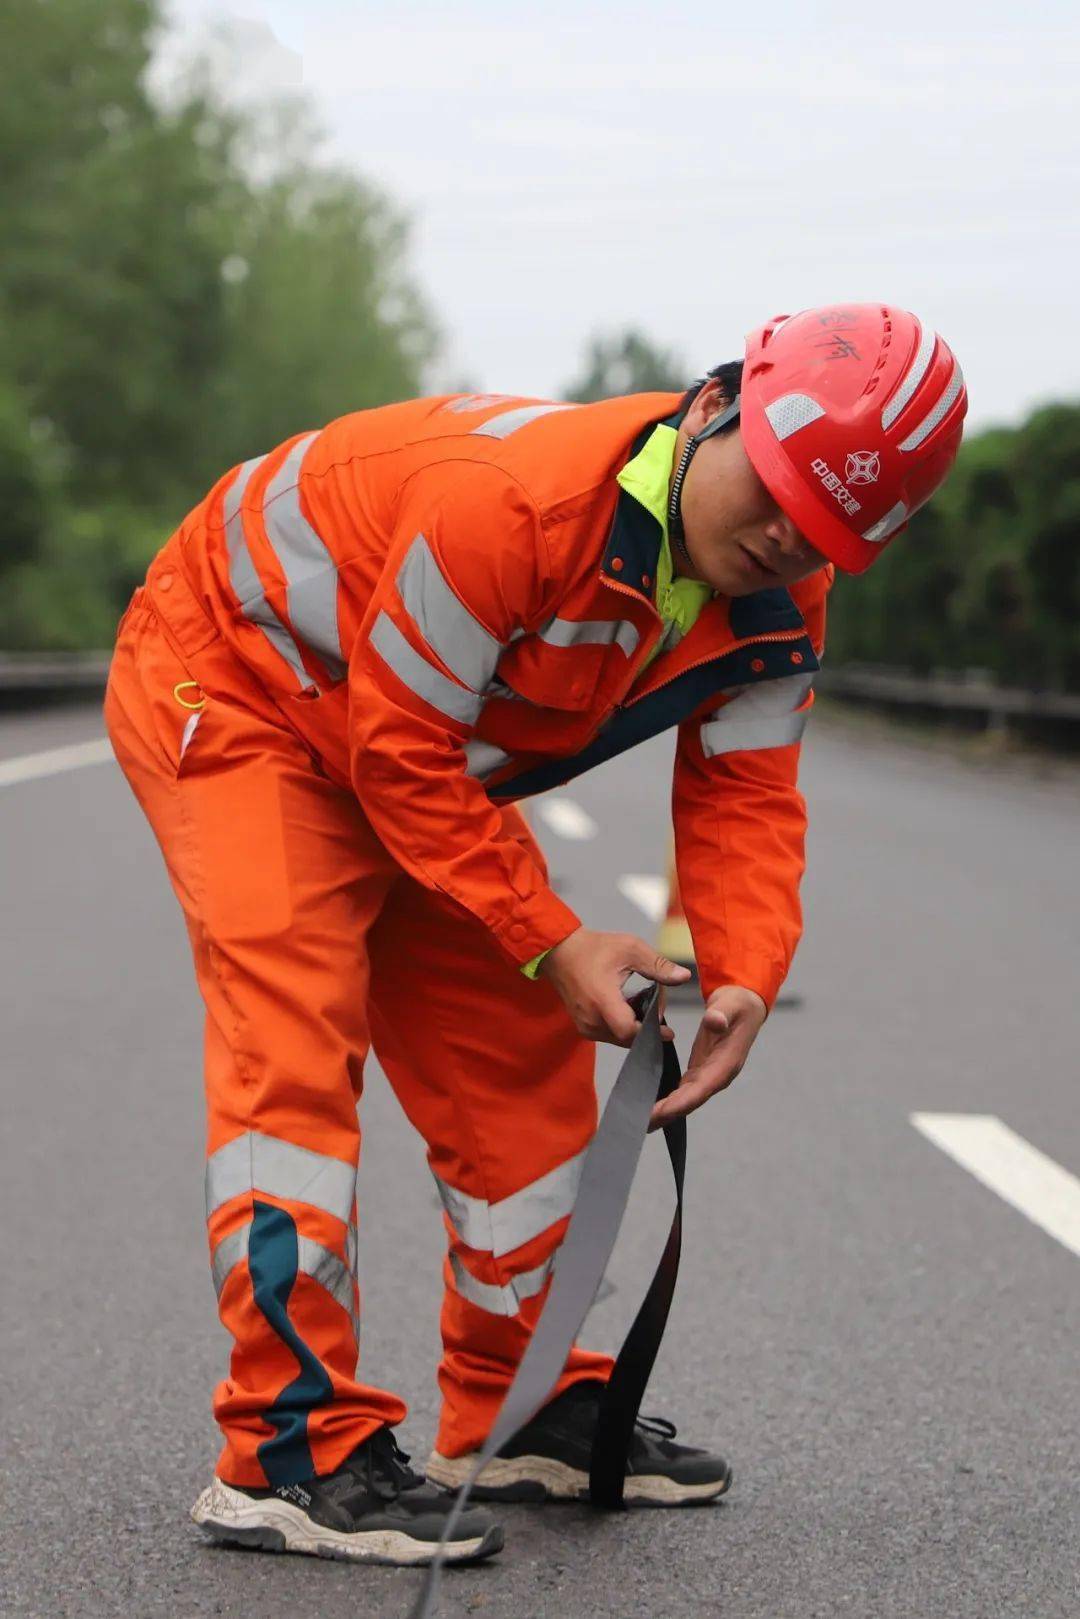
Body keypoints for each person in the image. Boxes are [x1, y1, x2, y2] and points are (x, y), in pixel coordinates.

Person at [104, 304, 966, 1567]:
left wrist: (743, 975)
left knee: (515, 1046)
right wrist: (551, 930)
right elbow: (398, 755)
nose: (784, 539)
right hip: (238, 681)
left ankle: (513, 1406)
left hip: (403, 734)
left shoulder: (785, 597)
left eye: (826, 533)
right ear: (719, 405)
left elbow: (746, 794)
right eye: (778, 493)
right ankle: (287, 1452)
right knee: (294, 1031)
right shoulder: (508, 507)